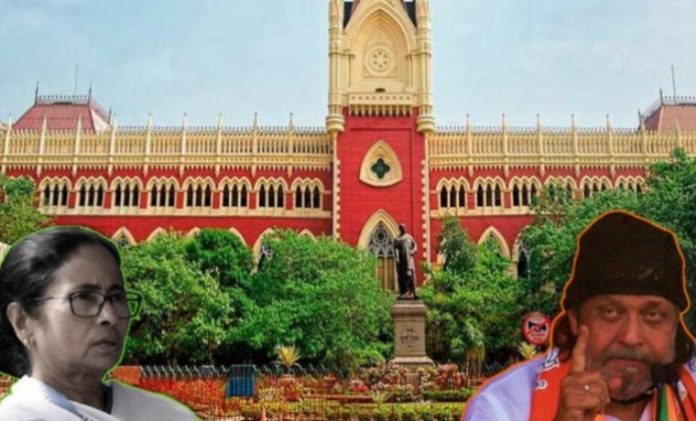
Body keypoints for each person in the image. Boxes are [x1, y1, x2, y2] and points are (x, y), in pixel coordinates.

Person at [463, 210, 696, 421]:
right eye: (610, 312)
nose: (631, 337)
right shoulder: (503, 407)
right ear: (575, 319)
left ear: (675, 325)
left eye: (653, 315)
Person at [0, 227, 198, 420]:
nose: (110, 316)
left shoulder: (169, 415)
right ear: (22, 322)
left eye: (116, 297)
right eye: (83, 297)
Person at [393, 223, 417, 299]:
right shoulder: (397, 239)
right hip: (401, 261)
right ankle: (403, 292)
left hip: (409, 260)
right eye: (401, 228)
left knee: (411, 275)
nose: (403, 229)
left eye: (403, 227)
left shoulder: (409, 237)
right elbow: (395, 250)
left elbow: (415, 246)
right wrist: (397, 258)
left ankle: (413, 292)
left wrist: (412, 251)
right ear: (399, 229)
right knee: (402, 276)